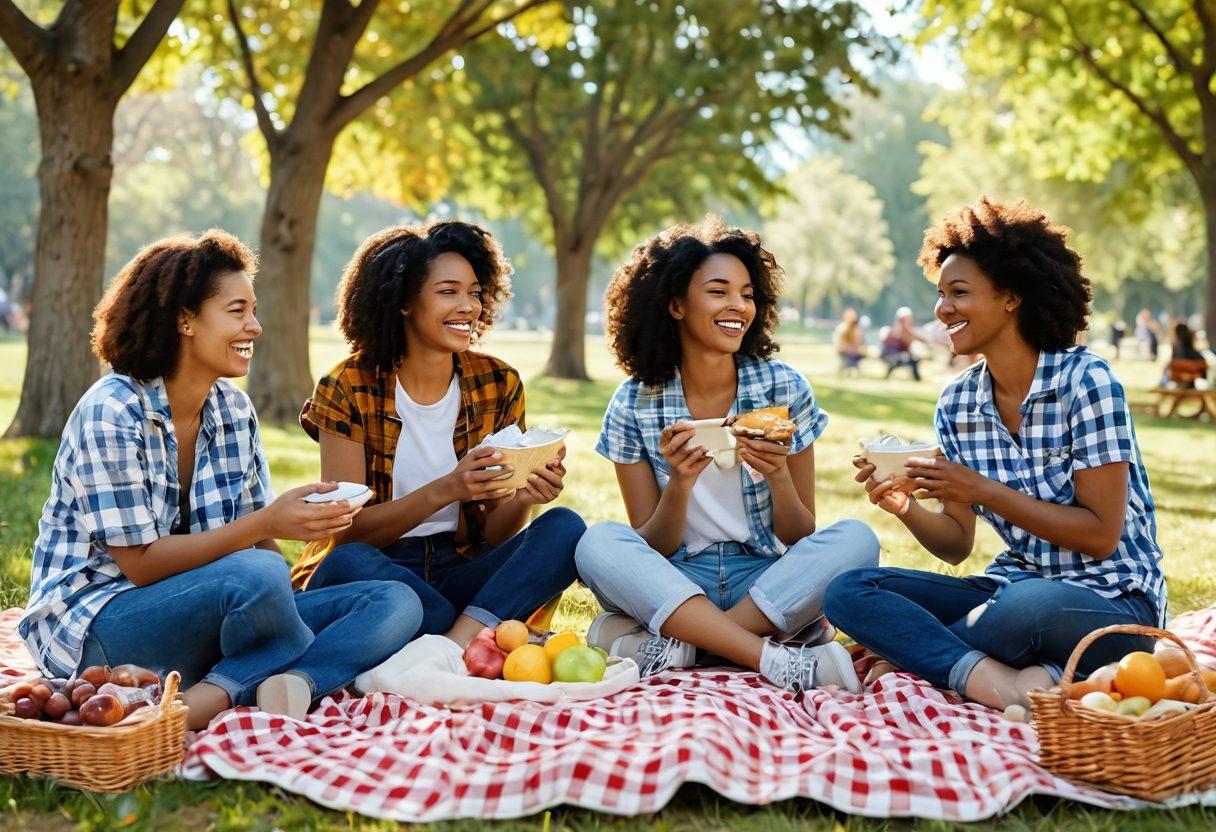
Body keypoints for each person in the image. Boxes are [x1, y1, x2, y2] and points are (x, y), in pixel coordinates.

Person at [20, 231, 420, 730]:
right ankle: (216, 697)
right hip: (99, 630)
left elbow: (260, 543)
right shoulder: (112, 411)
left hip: (210, 613)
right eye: (237, 311)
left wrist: (291, 553)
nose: (255, 325)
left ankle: (286, 681)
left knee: (393, 600)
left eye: (254, 310)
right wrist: (268, 527)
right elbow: (141, 565)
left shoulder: (233, 409)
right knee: (256, 574)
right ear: (185, 320)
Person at [824, 199, 1165, 713]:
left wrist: (983, 490)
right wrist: (905, 506)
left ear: (1011, 296)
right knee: (850, 591)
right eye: (940, 294)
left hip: (1113, 601)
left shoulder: (1086, 382)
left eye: (959, 293)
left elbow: (1100, 534)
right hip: (1008, 591)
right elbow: (956, 545)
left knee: (1026, 607)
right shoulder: (957, 403)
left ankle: (922, 655)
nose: (943, 309)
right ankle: (995, 678)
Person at [575, 217, 880, 693]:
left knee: (858, 539)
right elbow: (654, 546)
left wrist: (778, 476)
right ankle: (768, 655)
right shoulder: (635, 402)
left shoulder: (784, 387)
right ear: (676, 304)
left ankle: (688, 645)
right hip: (677, 580)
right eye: (719, 292)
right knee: (596, 543)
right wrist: (679, 485)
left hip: (764, 578)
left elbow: (800, 533)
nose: (738, 305)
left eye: (747, 294)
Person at [290, 221, 585, 651]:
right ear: (404, 302)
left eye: (475, 293)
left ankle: (451, 640)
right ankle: (470, 631)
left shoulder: (497, 382)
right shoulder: (348, 386)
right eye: (448, 292)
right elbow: (348, 535)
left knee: (564, 527)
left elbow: (496, 536)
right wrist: (448, 488)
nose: (468, 307)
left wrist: (523, 498)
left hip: (461, 566)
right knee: (352, 562)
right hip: (380, 569)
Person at [880, 307, 927, 380]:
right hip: (892, 356)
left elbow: (921, 340)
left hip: (901, 356)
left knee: (914, 359)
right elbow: (884, 339)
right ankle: (917, 378)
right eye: (906, 319)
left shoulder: (908, 331)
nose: (908, 321)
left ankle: (917, 378)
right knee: (910, 360)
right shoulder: (894, 330)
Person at [1162, 321, 1208, 388]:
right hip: (1189, 384)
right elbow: (1204, 366)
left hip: (1181, 385)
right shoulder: (1190, 351)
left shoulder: (1177, 351)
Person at [833, 307, 866, 377]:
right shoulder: (842, 329)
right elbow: (840, 346)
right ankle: (848, 369)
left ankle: (851, 370)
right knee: (849, 360)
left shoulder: (857, 330)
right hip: (845, 352)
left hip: (854, 353)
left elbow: (859, 344)